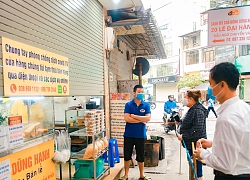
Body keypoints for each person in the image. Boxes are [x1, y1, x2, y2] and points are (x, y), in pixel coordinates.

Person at [194, 62, 250, 180]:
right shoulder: (245, 108)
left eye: (211, 83)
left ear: (222, 85)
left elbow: (225, 164)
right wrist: (214, 144)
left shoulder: (226, 118)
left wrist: (202, 154)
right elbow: (241, 142)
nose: (210, 88)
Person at [120, 85, 151, 180]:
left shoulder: (146, 105)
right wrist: (141, 119)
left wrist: (133, 116)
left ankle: (142, 175)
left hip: (140, 135)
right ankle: (126, 175)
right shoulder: (128, 105)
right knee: (127, 155)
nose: (141, 93)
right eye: (139, 91)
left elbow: (148, 118)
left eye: (142, 92)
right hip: (128, 134)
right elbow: (127, 119)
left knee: (141, 155)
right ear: (134, 93)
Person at [177, 90, 207, 180]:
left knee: (197, 170)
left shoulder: (198, 110)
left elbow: (197, 129)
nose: (183, 99)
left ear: (190, 99)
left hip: (196, 145)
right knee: (193, 167)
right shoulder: (193, 109)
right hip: (191, 144)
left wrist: (184, 136)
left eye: (185, 97)